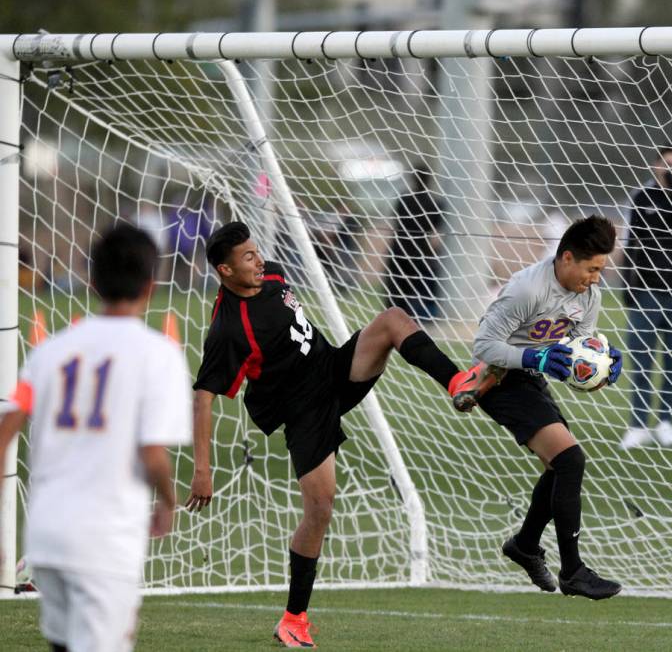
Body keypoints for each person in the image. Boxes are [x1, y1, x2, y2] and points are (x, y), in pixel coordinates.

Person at [186, 221, 495, 648]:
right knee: (320, 507)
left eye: (257, 253)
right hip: (303, 409)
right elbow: (203, 397)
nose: (259, 262)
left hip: (332, 368)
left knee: (391, 320)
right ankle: (293, 618)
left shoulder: (272, 275)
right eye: (248, 258)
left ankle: (457, 382)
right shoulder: (228, 330)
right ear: (224, 270)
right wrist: (203, 471)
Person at [0, 225, 192, 652]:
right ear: (150, 284)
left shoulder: (50, 350)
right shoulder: (158, 353)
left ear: (91, 279)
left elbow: (3, 435)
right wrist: (166, 501)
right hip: (104, 540)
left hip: (46, 537)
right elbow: (151, 452)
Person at [452, 215, 624, 600]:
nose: (596, 278)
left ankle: (526, 545)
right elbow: (483, 346)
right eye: (592, 268)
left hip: (530, 377)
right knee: (569, 461)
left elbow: (579, 355)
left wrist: (601, 367)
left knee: (559, 468)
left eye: (601, 270)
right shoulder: (526, 289)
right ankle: (573, 571)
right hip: (498, 378)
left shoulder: (589, 297)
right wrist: (538, 359)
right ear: (566, 258)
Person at [619, 145, 672, 450]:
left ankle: (666, 421)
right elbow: (631, 243)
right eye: (668, 165)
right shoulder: (640, 197)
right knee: (642, 359)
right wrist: (627, 289)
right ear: (656, 165)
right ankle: (638, 424)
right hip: (645, 290)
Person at [384, 162, 444, 321]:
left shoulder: (403, 199)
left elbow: (395, 222)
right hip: (419, 253)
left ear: (413, 178)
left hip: (398, 250)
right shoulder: (435, 204)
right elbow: (436, 229)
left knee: (395, 293)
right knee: (415, 293)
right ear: (429, 180)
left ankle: (390, 322)